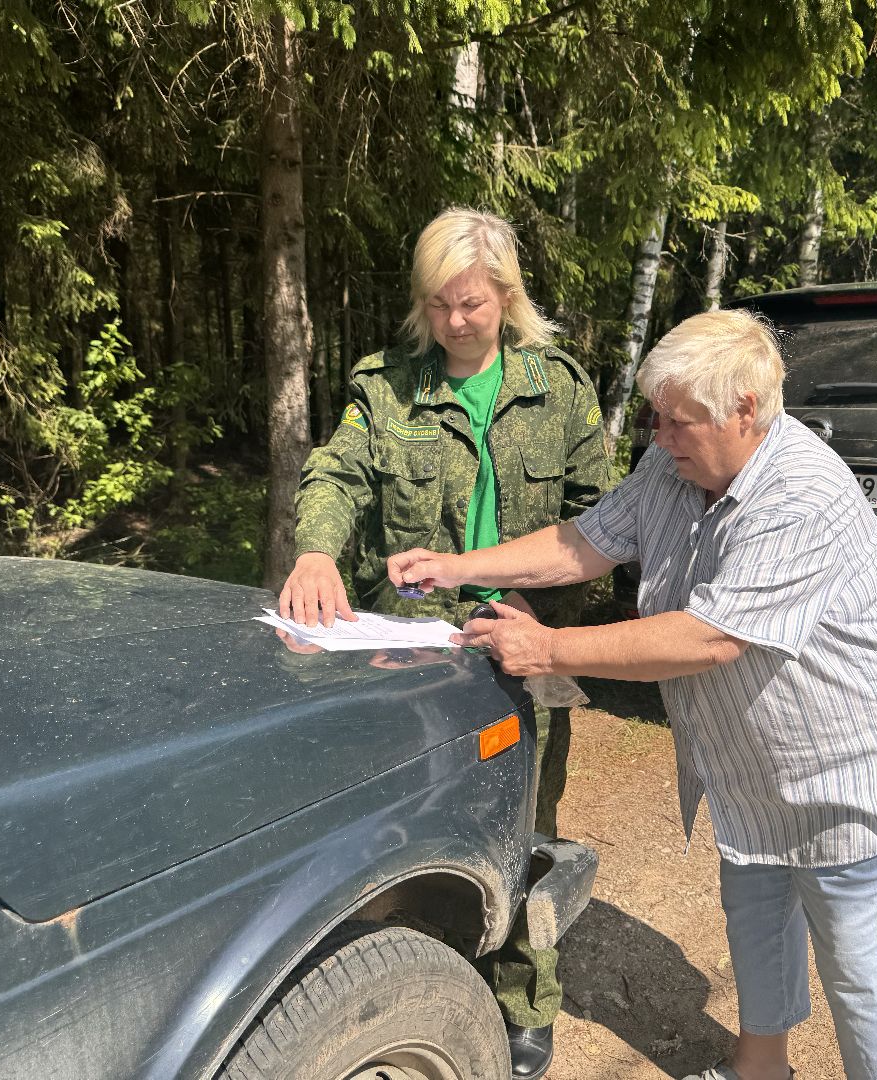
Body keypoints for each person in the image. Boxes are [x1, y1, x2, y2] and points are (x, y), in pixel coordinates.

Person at [388, 309, 877, 1080]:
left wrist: (548, 649)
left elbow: (710, 637)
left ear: (745, 409)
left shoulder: (803, 494)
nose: (660, 435)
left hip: (847, 774)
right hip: (752, 769)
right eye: (656, 417)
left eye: (677, 421)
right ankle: (761, 1069)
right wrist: (456, 567)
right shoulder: (674, 463)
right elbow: (584, 542)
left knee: (864, 977)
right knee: (757, 925)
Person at [277, 207, 612, 1079]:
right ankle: (402, 989)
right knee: (398, 828)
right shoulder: (386, 387)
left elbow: (604, 523)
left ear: (506, 295)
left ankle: (523, 1001)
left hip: (527, 656)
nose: (455, 322)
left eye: (471, 304)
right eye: (437, 306)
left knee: (524, 827)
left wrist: (551, 620)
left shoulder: (561, 389)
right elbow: (337, 472)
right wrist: (317, 547)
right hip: (410, 660)